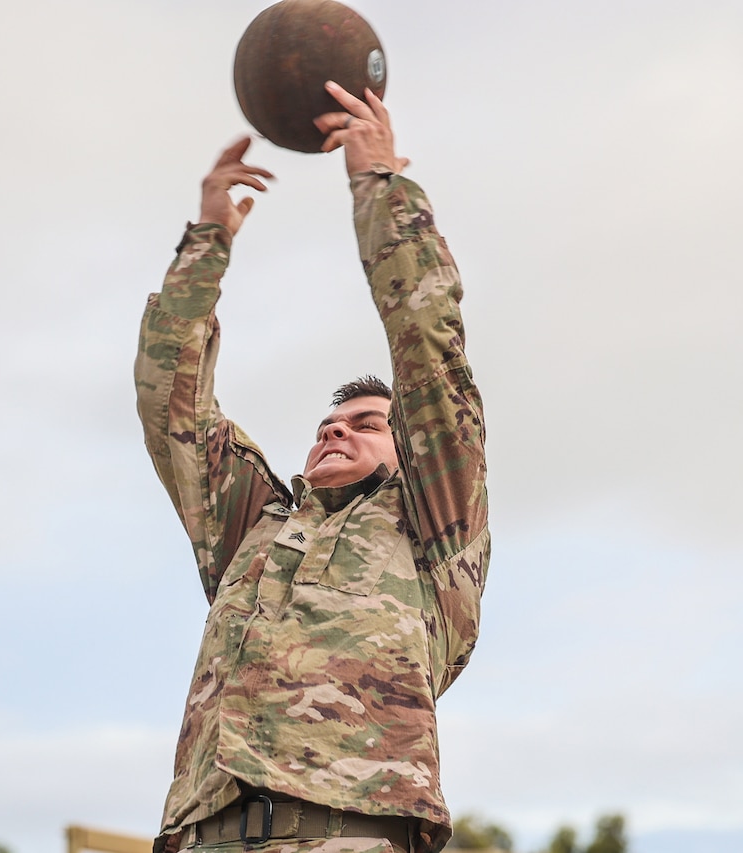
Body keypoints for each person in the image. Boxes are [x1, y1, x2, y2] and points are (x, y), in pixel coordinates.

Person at [134, 82, 489, 853]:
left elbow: (430, 347)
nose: (336, 429)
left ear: (413, 452)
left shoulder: (434, 526)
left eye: (366, 424)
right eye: (328, 423)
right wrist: (207, 237)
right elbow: (173, 406)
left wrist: (380, 184)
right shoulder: (254, 527)